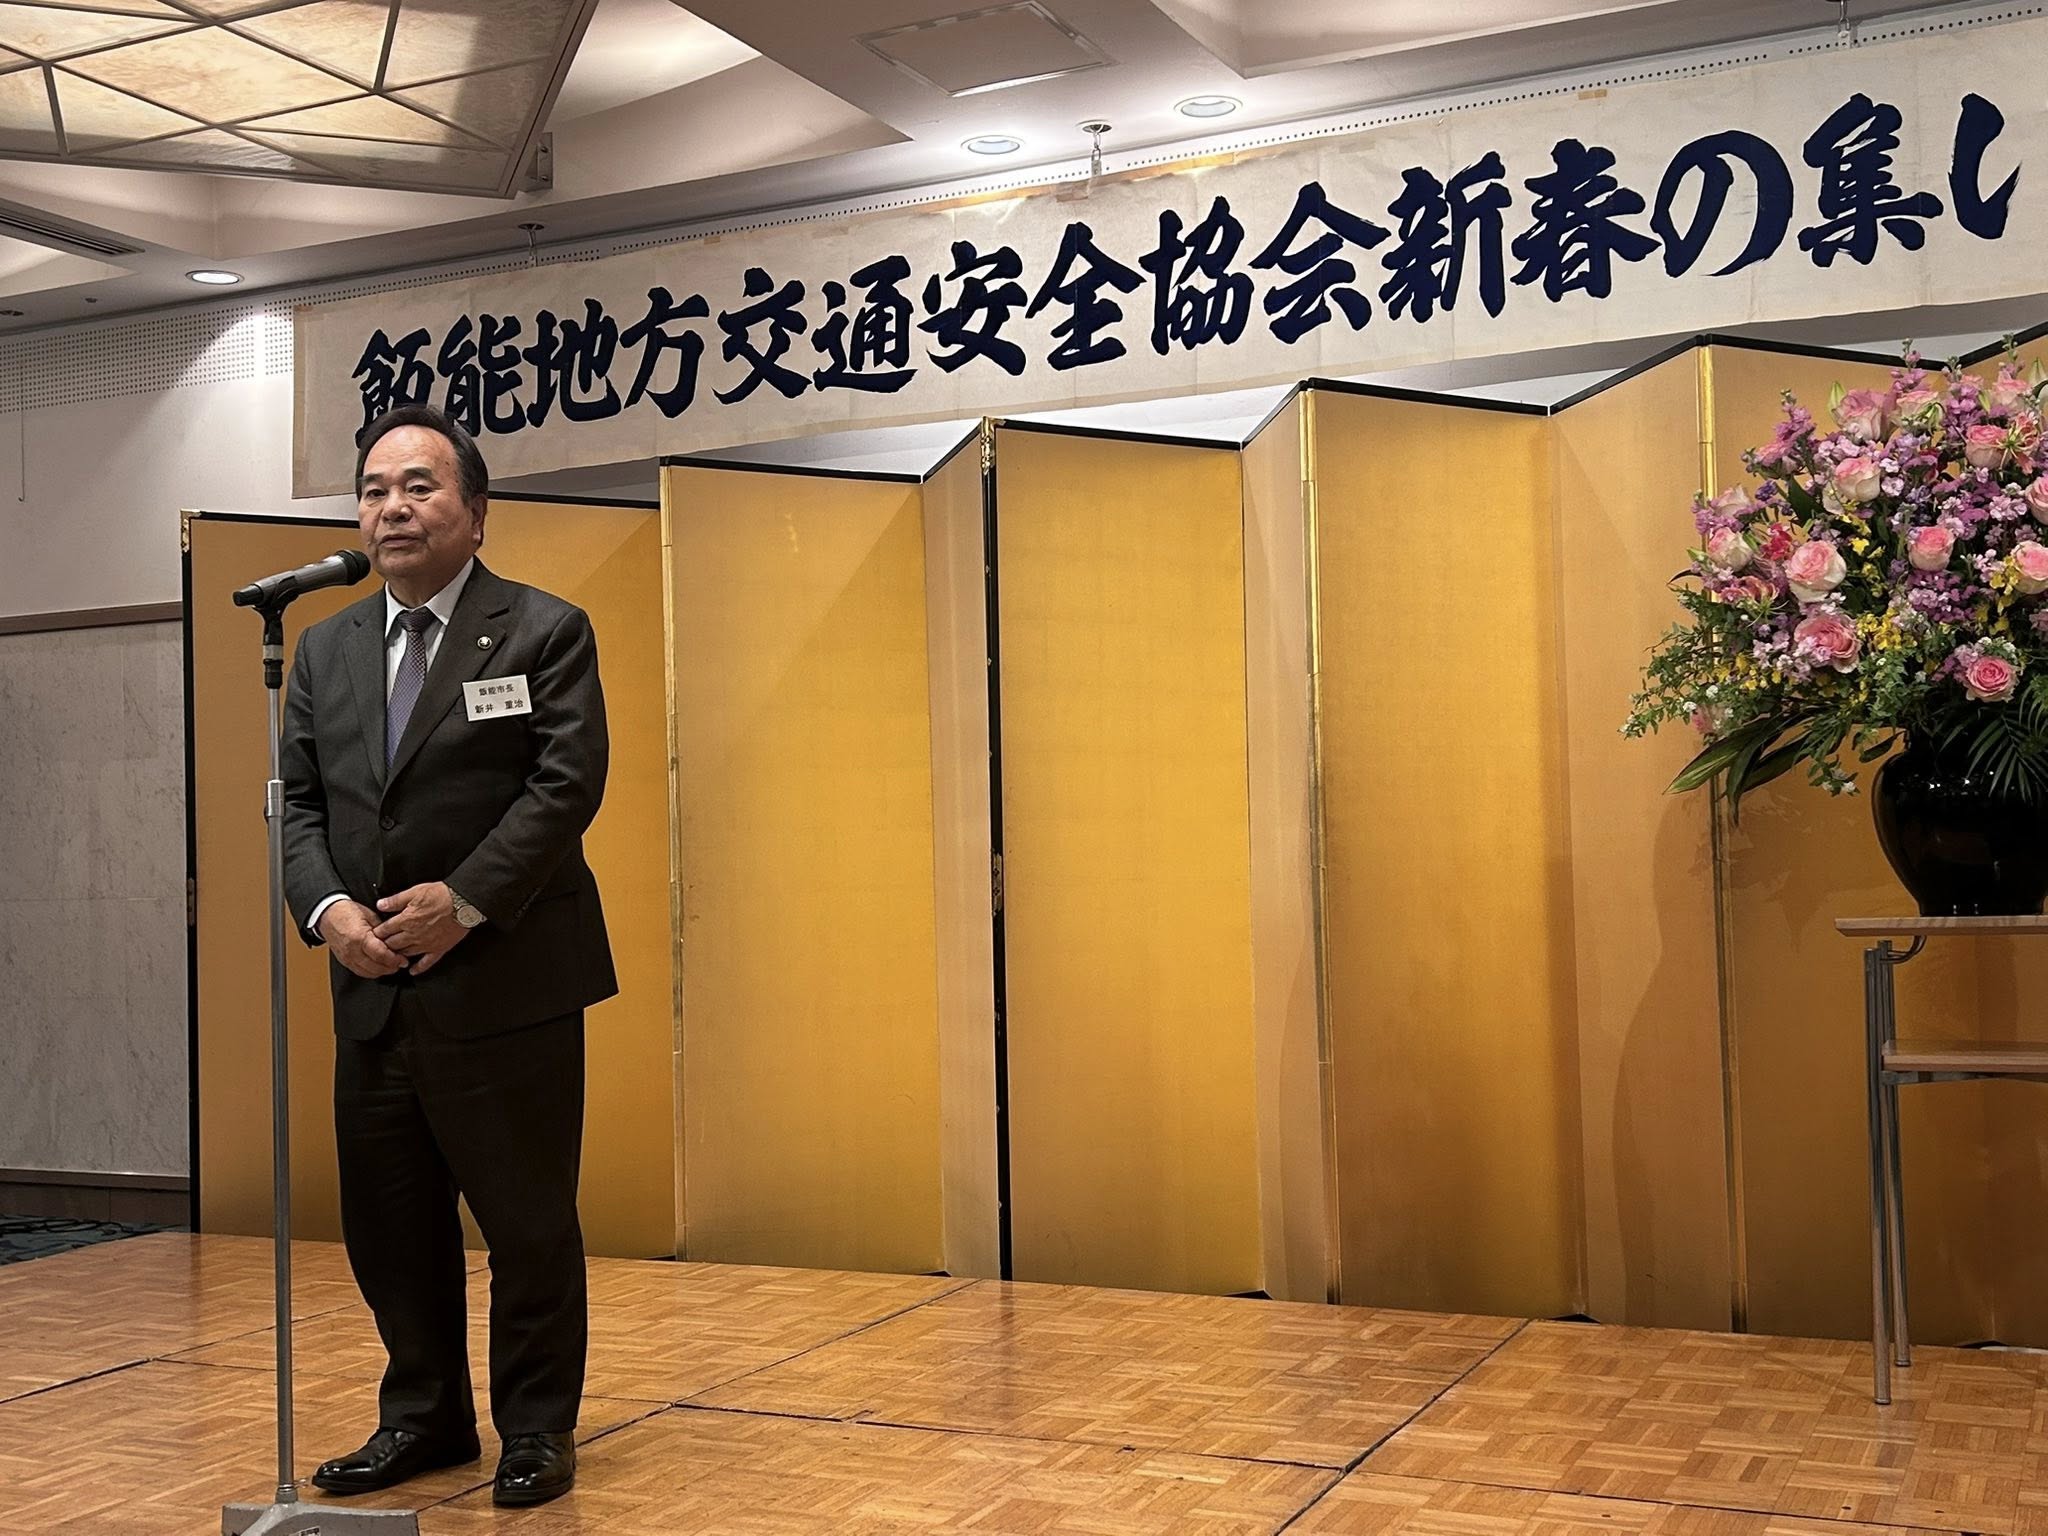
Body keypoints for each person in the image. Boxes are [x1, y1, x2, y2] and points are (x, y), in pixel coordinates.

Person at [281, 403, 615, 1509]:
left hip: (505, 980)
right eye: (374, 490)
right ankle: (423, 1418)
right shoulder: (322, 648)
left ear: (476, 512)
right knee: (389, 1224)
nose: (393, 508)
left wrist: (463, 902)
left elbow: (564, 786)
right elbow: (298, 808)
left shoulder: (542, 630)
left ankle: (536, 1429)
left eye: (419, 487)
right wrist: (329, 910)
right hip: (373, 983)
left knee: (526, 1222)